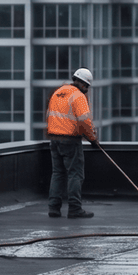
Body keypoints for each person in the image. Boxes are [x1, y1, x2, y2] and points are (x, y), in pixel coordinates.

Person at [47, 67, 99, 218]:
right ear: (83, 84)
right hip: (70, 140)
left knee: (57, 173)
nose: (87, 90)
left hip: (54, 138)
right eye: (87, 86)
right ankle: (75, 208)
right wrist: (93, 139)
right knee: (75, 174)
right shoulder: (78, 96)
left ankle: (53, 209)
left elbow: (51, 115)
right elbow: (84, 121)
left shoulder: (58, 92)